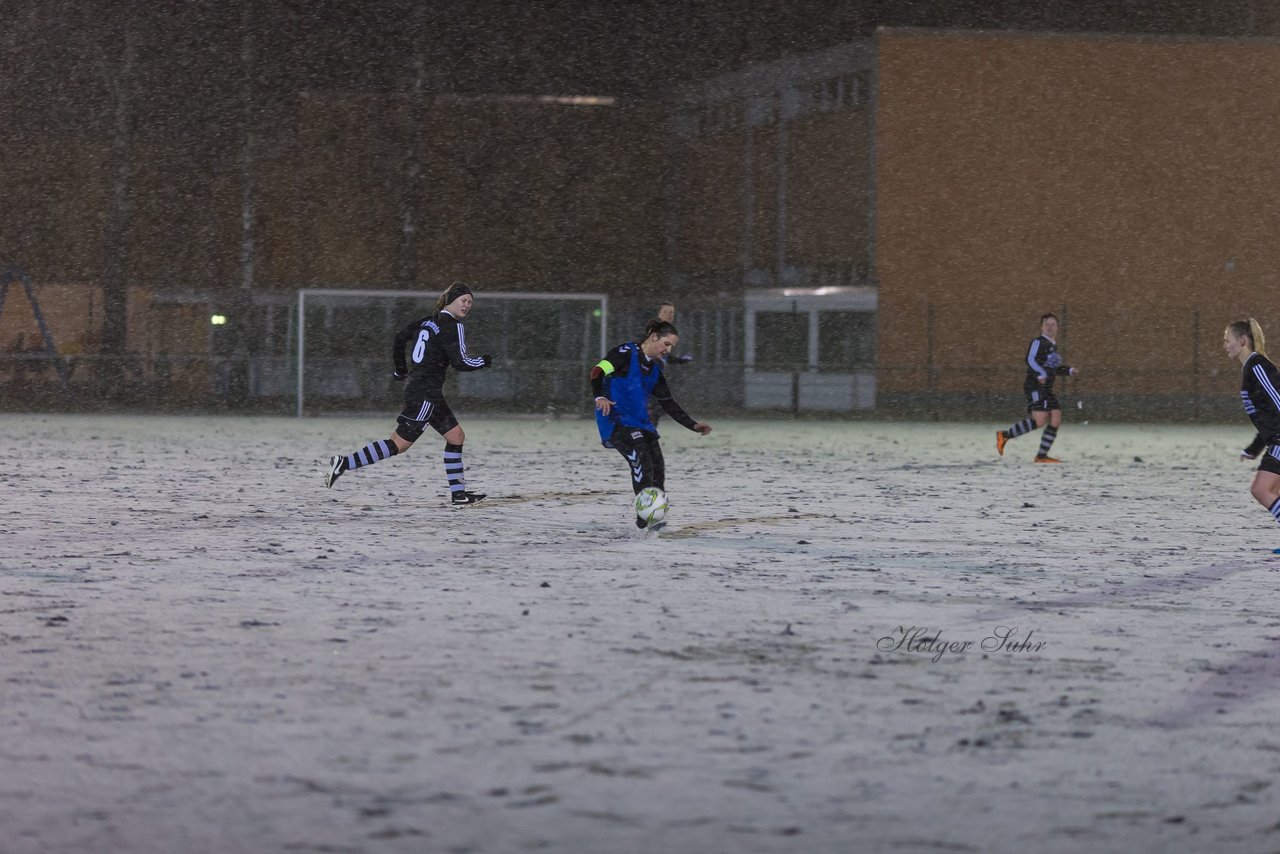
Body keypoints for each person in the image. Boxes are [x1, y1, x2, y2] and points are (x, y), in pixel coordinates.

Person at [326, 282, 492, 505]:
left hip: (422, 391)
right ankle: (343, 463)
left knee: (456, 437)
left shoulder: (428, 321)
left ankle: (459, 495)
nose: (467, 305)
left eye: (470, 303)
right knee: (398, 445)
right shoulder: (452, 325)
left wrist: (400, 369)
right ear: (451, 300)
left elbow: (399, 337)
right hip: (426, 395)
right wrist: (484, 361)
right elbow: (460, 362)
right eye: (464, 300)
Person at [592, 317, 712, 529]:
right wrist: (599, 396)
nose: (668, 350)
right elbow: (597, 371)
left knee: (658, 468)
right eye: (666, 344)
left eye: (672, 347)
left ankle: (650, 516)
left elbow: (668, 402)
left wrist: (692, 425)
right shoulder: (625, 353)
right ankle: (645, 515)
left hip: (641, 424)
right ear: (654, 337)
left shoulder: (655, 369)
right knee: (642, 462)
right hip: (616, 422)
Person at [996, 313, 1080, 462]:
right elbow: (1030, 359)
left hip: (1046, 388)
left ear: (1057, 328)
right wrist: (1041, 373)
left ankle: (1041, 456)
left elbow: (1052, 368)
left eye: (1053, 324)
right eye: (1047, 324)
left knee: (1056, 418)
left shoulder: (1053, 345)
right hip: (1035, 386)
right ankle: (1004, 436)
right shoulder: (1038, 342)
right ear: (1041, 327)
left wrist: (1068, 371)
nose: (1050, 327)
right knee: (1039, 421)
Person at [1225, 318, 1280, 534]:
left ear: (1242, 340)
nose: (1224, 345)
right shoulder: (1251, 368)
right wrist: (1254, 448)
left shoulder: (1257, 365)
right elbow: (1266, 417)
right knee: (1272, 490)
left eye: (1227, 339)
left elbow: (1278, 399)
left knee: (1261, 489)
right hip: (1275, 439)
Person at [647, 301, 692, 426]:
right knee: (656, 407)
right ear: (659, 313)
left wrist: (679, 360)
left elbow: (664, 354)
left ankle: (647, 434)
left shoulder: (665, 331)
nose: (669, 315)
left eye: (671, 312)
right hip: (647, 375)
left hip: (656, 376)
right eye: (665, 312)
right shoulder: (654, 330)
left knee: (659, 407)